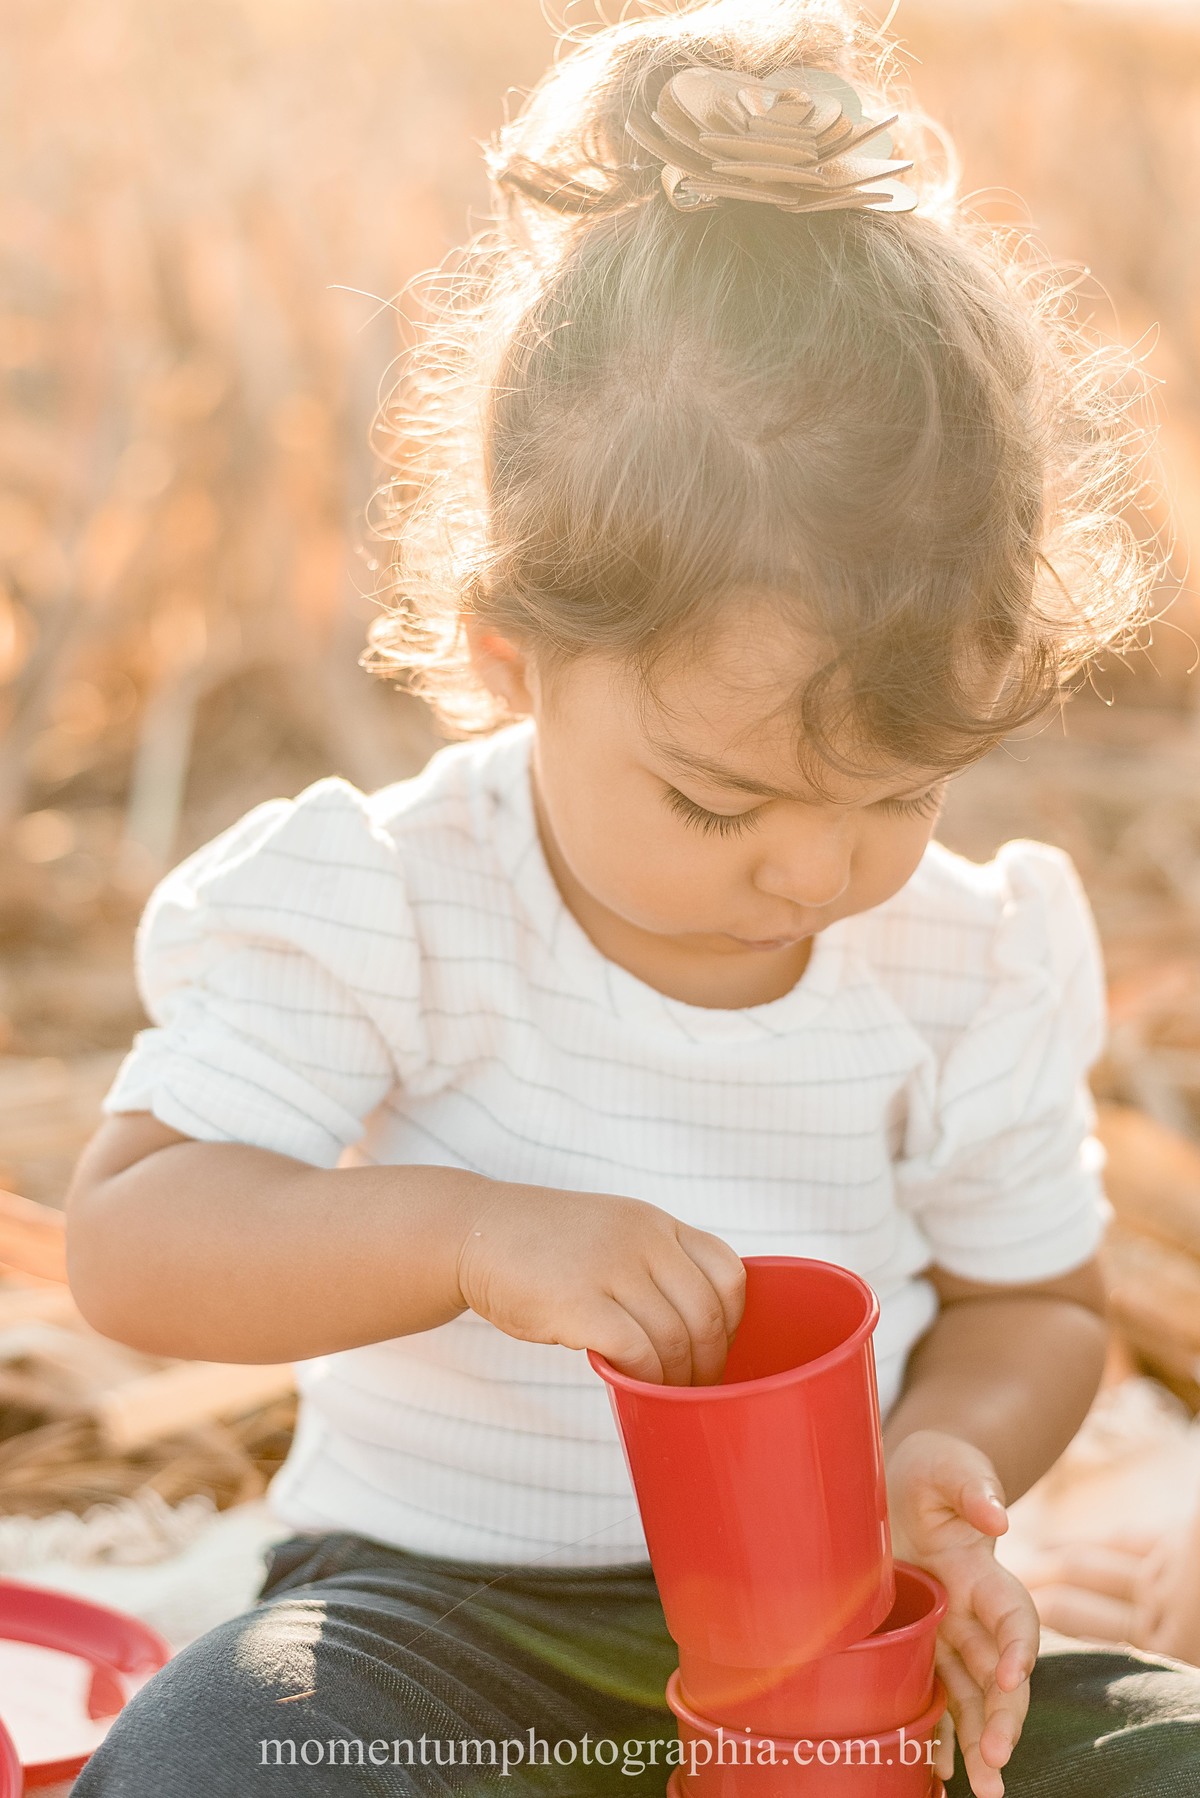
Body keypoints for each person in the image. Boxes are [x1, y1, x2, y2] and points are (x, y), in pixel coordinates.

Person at [63, 2, 1200, 1793]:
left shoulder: (968, 954)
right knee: (232, 1748)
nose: (815, 872)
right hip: (444, 1635)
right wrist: (470, 1235)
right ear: (512, 656)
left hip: (844, 1631)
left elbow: (1035, 1303)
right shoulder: (395, 902)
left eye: (897, 793)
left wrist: (942, 1457)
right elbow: (135, 1240)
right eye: (718, 798)